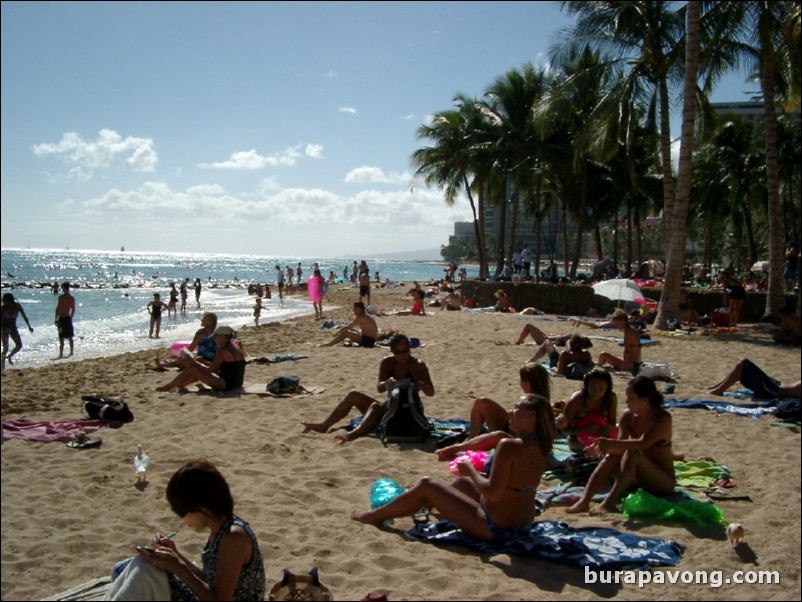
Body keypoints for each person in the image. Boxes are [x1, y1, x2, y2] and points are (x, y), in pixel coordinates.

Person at [353, 394, 555, 542]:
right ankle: (419, 505)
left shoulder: (509, 447)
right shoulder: (541, 446)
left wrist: (471, 470)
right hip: (522, 523)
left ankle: (373, 517)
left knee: (428, 484)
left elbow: (492, 493)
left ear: (531, 416)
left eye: (517, 407)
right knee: (461, 484)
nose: (511, 411)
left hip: (497, 527)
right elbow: (499, 440)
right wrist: (461, 450)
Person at [103, 459, 265, 601]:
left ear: (201, 506)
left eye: (182, 512)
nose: (183, 520)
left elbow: (219, 598)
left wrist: (178, 567)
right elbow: (211, 580)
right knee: (125, 568)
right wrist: (176, 555)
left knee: (145, 573)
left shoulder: (233, 537)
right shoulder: (222, 530)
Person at [566, 376, 674, 515]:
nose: (626, 401)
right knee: (614, 456)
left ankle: (608, 503)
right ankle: (584, 501)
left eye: (631, 398)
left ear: (645, 400)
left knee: (632, 454)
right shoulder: (628, 416)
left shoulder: (662, 418)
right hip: (637, 478)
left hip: (662, 481)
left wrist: (609, 443)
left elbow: (643, 443)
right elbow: (620, 445)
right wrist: (602, 446)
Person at [301, 333, 434, 443]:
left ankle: (352, 435)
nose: (403, 355)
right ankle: (324, 425)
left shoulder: (418, 365)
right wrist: (387, 382)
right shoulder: (387, 363)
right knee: (354, 395)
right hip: (391, 405)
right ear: (392, 352)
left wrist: (421, 385)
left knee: (376, 407)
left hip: (409, 409)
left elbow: (431, 392)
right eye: (398, 353)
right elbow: (379, 388)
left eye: (406, 351)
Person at [438, 362, 551, 447]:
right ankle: (471, 438)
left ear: (527, 383)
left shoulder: (530, 401)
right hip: (518, 434)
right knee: (483, 403)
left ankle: (470, 439)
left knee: (482, 403)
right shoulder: (542, 401)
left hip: (513, 437)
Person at [156, 326, 246, 392]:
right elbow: (224, 368)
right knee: (196, 368)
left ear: (223, 336)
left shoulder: (223, 350)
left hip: (227, 385)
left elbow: (210, 371)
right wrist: (203, 362)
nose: (214, 339)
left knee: (193, 368)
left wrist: (194, 362)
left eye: (215, 337)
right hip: (237, 382)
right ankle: (181, 384)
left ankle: (168, 387)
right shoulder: (235, 346)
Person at [555, 368, 618, 452]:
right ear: (586, 385)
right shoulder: (577, 400)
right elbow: (564, 429)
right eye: (592, 387)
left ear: (607, 389)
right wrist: (584, 429)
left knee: (619, 429)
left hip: (601, 435)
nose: (596, 392)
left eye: (601, 389)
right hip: (578, 438)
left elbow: (612, 421)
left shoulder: (610, 398)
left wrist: (608, 427)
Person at [707, 358, 801, 399]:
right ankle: (718, 387)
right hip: (775, 384)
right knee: (742, 364)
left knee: (744, 364)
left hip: (774, 390)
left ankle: (720, 389)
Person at [597, 308, 642, 375]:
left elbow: (627, 351)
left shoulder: (628, 332)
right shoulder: (631, 329)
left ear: (623, 321)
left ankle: (598, 365)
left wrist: (623, 368)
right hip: (636, 363)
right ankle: (600, 365)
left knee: (603, 355)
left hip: (631, 365)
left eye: (617, 324)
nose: (617, 326)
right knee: (609, 358)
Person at [529, 334, 594, 378]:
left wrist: (552, 369)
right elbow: (590, 364)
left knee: (547, 342)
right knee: (566, 343)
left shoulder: (565, 354)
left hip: (555, 363)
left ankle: (532, 360)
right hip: (569, 359)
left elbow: (559, 372)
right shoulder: (586, 354)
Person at [2, 293, 34, 369]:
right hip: (4, 329)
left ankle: (9, 356)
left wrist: (29, 326)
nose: (4, 302)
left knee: (19, 345)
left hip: (13, 328)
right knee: (5, 347)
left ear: (9, 300)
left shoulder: (17, 306)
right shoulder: (3, 308)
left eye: (5, 300)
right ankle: (2, 364)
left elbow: (24, 316)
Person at [55, 281, 76, 358]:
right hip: (67, 318)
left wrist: (55, 318)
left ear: (64, 288)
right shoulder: (71, 298)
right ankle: (71, 352)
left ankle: (61, 353)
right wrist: (71, 318)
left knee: (61, 337)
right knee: (70, 336)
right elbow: (73, 310)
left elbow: (57, 308)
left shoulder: (61, 297)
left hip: (61, 318)